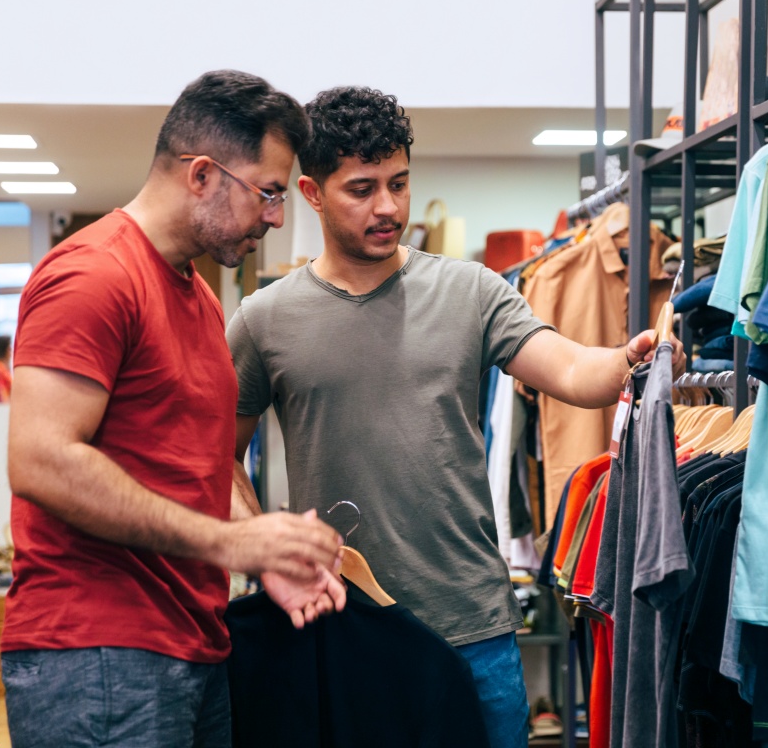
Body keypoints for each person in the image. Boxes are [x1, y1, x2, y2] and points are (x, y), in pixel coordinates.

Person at [227, 85, 684, 748]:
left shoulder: (470, 291)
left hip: (473, 628)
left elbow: (569, 370)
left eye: (400, 182)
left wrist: (625, 361)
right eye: (362, 189)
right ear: (312, 192)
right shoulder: (265, 321)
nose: (388, 207)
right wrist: (267, 547)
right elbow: (213, 457)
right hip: (344, 628)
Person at [2, 70, 344, 748]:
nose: (276, 216)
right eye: (269, 193)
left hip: (191, 646)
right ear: (201, 175)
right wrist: (227, 542)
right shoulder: (94, 274)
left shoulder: (199, 297)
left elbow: (205, 464)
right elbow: (41, 459)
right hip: (97, 656)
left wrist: (262, 545)